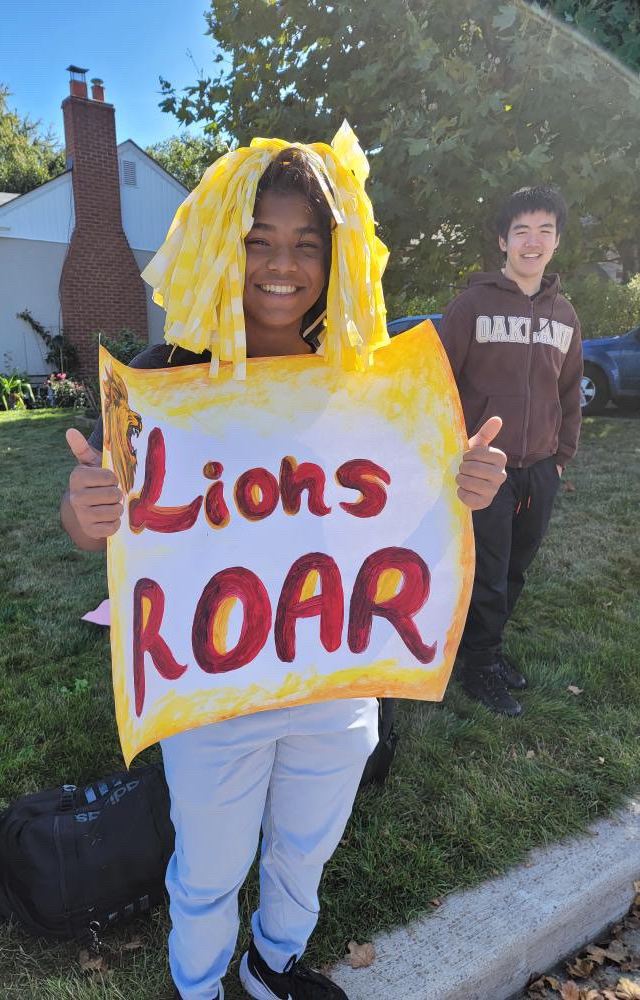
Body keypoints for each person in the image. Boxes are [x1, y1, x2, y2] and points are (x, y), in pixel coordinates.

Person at [61, 135, 507, 1000]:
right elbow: (106, 523)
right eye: (259, 238)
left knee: (306, 845)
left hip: (336, 673)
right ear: (224, 245)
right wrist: (83, 514)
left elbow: (403, 508)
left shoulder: (366, 379)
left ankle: (272, 967)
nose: (282, 263)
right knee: (211, 862)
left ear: (335, 259)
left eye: (308, 243)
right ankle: (200, 987)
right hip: (214, 684)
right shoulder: (167, 379)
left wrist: (463, 486)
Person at [439, 185, 583, 718]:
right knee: (486, 571)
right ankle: (477, 665)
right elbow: (442, 384)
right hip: (486, 470)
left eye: (545, 230)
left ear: (556, 242)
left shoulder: (565, 316)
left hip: (541, 468)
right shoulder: (472, 305)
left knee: (517, 569)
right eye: (522, 230)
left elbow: (570, 391)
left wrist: (561, 455)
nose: (533, 241)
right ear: (503, 240)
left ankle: (489, 652)